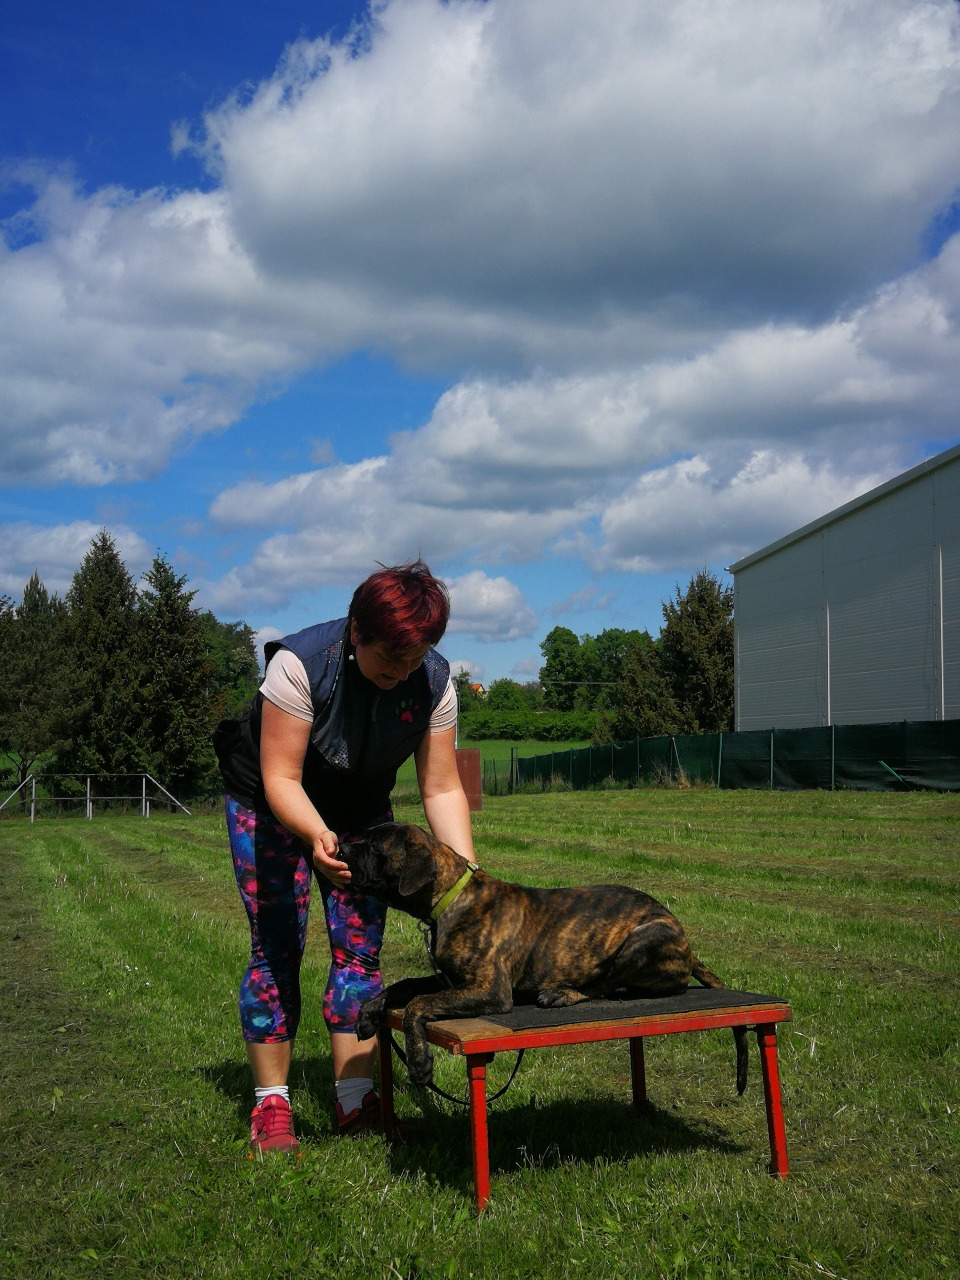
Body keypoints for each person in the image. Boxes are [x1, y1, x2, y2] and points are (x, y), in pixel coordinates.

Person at [213, 559, 475, 1155]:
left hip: (360, 809)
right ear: (357, 632)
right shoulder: (299, 665)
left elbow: (441, 788)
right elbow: (282, 779)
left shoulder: (435, 682)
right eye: (390, 659)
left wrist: (467, 878)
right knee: (276, 947)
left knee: (360, 952)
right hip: (270, 803)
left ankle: (355, 1100)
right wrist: (316, 835)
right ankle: (271, 1106)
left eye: (414, 659)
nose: (401, 673)